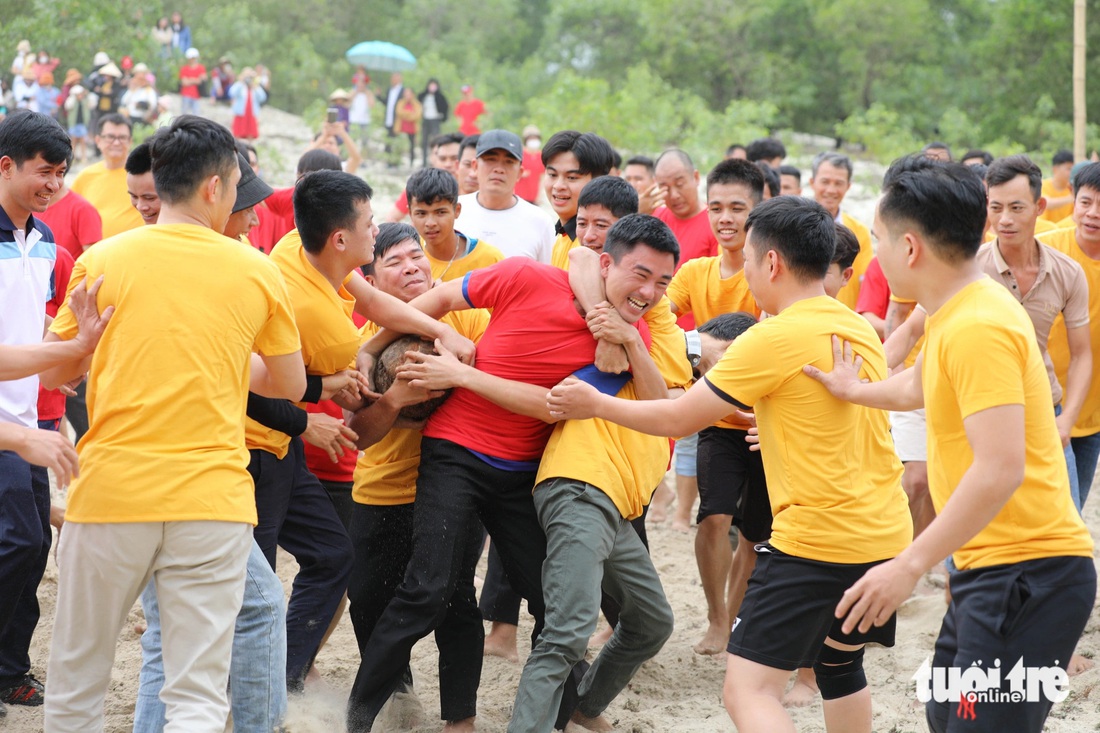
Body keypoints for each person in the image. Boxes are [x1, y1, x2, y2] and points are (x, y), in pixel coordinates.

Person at [548, 196, 913, 733]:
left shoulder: (772, 336)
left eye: (748, 258)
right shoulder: (855, 326)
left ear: (772, 263)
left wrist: (595, 403)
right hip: (884, 534)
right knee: (839, 665)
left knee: (748, 690)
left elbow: (678, 419)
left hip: (818, 541)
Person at [345, 211, 675, 732]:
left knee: (550, 603)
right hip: (454, 451)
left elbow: (552, 406)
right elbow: (439, 299)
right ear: (607, 264)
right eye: (641, 274)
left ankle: (568, 715)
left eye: (663, 282)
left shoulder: (619, 347)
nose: (650, 292)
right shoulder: (526, 275)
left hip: (524, 472)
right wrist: (369, 346)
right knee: (426, 589)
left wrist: (463, 375)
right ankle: (355, 719)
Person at [807, 155, 1096, 733]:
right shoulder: (955, 309)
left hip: (1029, 574)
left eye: (881, 239)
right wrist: (853, 390)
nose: (877, 254)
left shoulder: (978, 324)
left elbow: (999, 469)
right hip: (984, 568)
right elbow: (919, 384)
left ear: (910, 248)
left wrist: (908, 565)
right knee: (948, 716)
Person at [41, 114, 307, 731]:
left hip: (111, 493)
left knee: (78, 678)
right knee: (196, 693)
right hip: (211, 501)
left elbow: (56, 376)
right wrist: (219, 351)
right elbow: (291, 385)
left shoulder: (104, 258)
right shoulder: (255, 268)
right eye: (237, 183)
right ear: (214, 187)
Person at [129, 151, 295, 733]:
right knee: (260, 608)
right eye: (241, 200)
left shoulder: (127, 257)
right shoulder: (241, 267)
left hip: (137, 477)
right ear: (211, 192)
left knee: (168, 636)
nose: (250, 214)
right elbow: (288, 382)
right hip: (199, 476)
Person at [344, 222, 491, 732]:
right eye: (396, 262)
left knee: (455, 606)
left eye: (417, 258)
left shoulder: (465, 321)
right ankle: (399, 696)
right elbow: (359, 436)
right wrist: (395, 400)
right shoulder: (358, 344)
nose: (412, 268)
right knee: (367, 600)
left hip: (455, 490)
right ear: (371, 280)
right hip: (380, 490)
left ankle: (460, 719)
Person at [663, 158, 764, 650]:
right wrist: (695, 353)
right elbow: (658, 315)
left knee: (753, 534)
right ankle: (717, 618)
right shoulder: (695, 271)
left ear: (758, 210)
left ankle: (738, 617)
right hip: (717, 419)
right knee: (713, 517)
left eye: (738, 208)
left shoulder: (768, 273)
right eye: (717, 207)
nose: (726, 218)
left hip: (767, 422)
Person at [1038, 162, 1100, 505]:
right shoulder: (1044, 251)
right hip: (1042, 404)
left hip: (1091, 413)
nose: (1093, 214)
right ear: (1073, 200)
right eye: (1087, 202)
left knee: (1073, 507)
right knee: (1064, 516)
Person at [454, 129, 556, 262]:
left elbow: (548, 277)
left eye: (508, 162)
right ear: (475, 166)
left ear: (520, 172)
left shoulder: (540, 222)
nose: (498, 169)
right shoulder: (454, 211)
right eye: (491, 159)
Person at [407, 166, 503, 281]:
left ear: (457, 210)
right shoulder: (406, 261)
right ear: (410, 213)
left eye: (440, 212)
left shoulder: (490, 260)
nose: (431, 223)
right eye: (421, 213)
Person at [809, 151, 872, 310]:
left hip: (844, 323)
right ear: (812, 182)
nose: (831, 190)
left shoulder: (859, 233)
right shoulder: (794, 226)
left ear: (848, 186)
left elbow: (864, 283)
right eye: (825, 181)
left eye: (838, 183)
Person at [544, 130, 616, 268]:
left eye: (571, 177)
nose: (558, 186)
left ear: (599, 180)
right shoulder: (562, 236)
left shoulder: (595, 244)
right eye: (552, 174)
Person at [70, 113, 144, 237]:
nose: (116, 143)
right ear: (98, 140)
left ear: (130, 141)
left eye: (122, 137)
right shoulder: (85, 176)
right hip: (93, 252)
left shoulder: (142, 175)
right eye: (110, 137)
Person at [385, 132, 464, 223]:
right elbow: (391, 218)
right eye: (442, 159)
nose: (448, 164)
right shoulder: (419, 186)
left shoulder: (476, 189)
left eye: (454, 158)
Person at [418, 79, 449, 167]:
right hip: (425, 120)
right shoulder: (424, 96)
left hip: (435, 120)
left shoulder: (440, 97)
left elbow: (445, 107)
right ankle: (424, 161)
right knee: (424, 141)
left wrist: (443, 117)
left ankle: (435, 161)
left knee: (436, 141)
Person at [229, 67, 266, 142]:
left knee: (251, 132)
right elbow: (232, 93)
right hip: (240, 112)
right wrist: (241, 81)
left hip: (251, 112)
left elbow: (263, 97)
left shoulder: (255, 86)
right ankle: (237, 146)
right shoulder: (240, 85)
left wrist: (255, 86)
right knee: (238, 131)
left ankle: (249, 147)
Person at [1042, 149, 1075, 223]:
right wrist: (1072, 198)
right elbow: (1047, 203)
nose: (1071, 172)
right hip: (1045, 231)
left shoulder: (1072, 189)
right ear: (1055, 169)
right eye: (1068, 169)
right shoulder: (1043, 185)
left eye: (1072, 169)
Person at [121, 63, 157, 129]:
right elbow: (124, 101)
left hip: (142, 119)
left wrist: (142, 104)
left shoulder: (149, 90)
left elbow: (152, 105)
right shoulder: (132, 90)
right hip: (130, 118)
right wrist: (131, 90)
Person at [515, 124, 544, 204]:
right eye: (531, 138)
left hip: (533, 197)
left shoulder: (541, 156)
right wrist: (520, 173)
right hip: (519, 196)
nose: (533, 140)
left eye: (535, 138)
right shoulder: (519, 154)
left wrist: (539, 196)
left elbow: (542, 177)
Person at [63, 83, 92, 162]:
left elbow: (91, 104)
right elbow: (68, 106)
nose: (81, 95)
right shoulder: (72, 101)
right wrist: (72, 97)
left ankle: (84, 157)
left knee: (83, 141)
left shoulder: (85, 101)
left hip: (82, 124)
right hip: (74, 123)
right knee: (74, 141)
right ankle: (73, 157)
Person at [394, 87, 422, 167]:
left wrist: (406, 115)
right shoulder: (401, 103)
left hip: (412, 129)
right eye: (406, 94)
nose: (407, 95)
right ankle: (397, 161)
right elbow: (399, 112)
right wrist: (410, 114)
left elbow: (417, 115)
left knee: (412, 145)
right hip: (401, 127)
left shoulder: (416, 104)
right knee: (399, 144)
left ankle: (411, 161)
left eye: (409, 94)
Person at [380, 73, 404, 165]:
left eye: (395, 77)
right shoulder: (389, 90)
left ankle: (396, 161)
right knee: (388, 140)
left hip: (398, 120)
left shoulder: (403, 91)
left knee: (396, 141)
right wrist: (379, 96)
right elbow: (387, 103)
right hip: (388, 119)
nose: (393, 79)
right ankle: (388, 161)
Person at [178, 48, 206, 116]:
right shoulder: (184, 69)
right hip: (186, 94)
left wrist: (190, 79)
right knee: (184, 114)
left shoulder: (201, 68)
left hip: (196, 95)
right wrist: (195, 79)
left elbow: (202, 80)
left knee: (196, 115)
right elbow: (184, 82)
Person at [348, 74, 373, 149]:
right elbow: (347, 102)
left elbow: (372, 105)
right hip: (354, 119)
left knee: (364, 141)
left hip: (365, 120)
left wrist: (367, 93)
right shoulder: (353, 92)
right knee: (352, 140)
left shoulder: (368, 93)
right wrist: (355, 92)